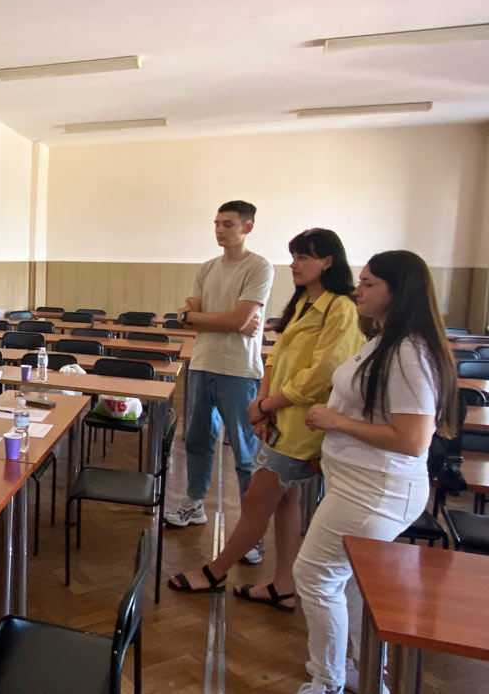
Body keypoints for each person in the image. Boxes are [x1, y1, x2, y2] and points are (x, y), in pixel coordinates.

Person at [168, 229, 363, 608]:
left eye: (303, 257)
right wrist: (262, 402)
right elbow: (275, 356)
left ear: (328, 261)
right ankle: (283, 586)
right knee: (286, 502)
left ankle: (215, 571)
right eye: (294, 256)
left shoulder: (341, 307)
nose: (294, 264)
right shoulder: (303, 302)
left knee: (258, 498)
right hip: (280, 415)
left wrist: (269, 404)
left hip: (304, 424)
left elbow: (324, 372)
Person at [292, 250, 457, 694]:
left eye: (368, 284)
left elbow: (413, 439)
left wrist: (336, 421)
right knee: (347, 579)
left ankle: (327, 680)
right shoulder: (386, 339)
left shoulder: (409, 353)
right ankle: (361, 671)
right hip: (359, 483)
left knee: (314, 575)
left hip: (374, 490)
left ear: (398, 292)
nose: (357, 290)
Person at [166, 201, 274, 565]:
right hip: (202, 364)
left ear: (247, 227)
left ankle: (251, 532)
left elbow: (238, 318)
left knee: (245, 452)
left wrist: (198, 318)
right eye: (216, 223)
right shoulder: (207, 267)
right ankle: (194, 503)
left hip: (239, 369)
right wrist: (220, 320)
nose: (219, 230)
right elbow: (194, 316)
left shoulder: (258, 266)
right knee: (197, 439)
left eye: (227, 224)